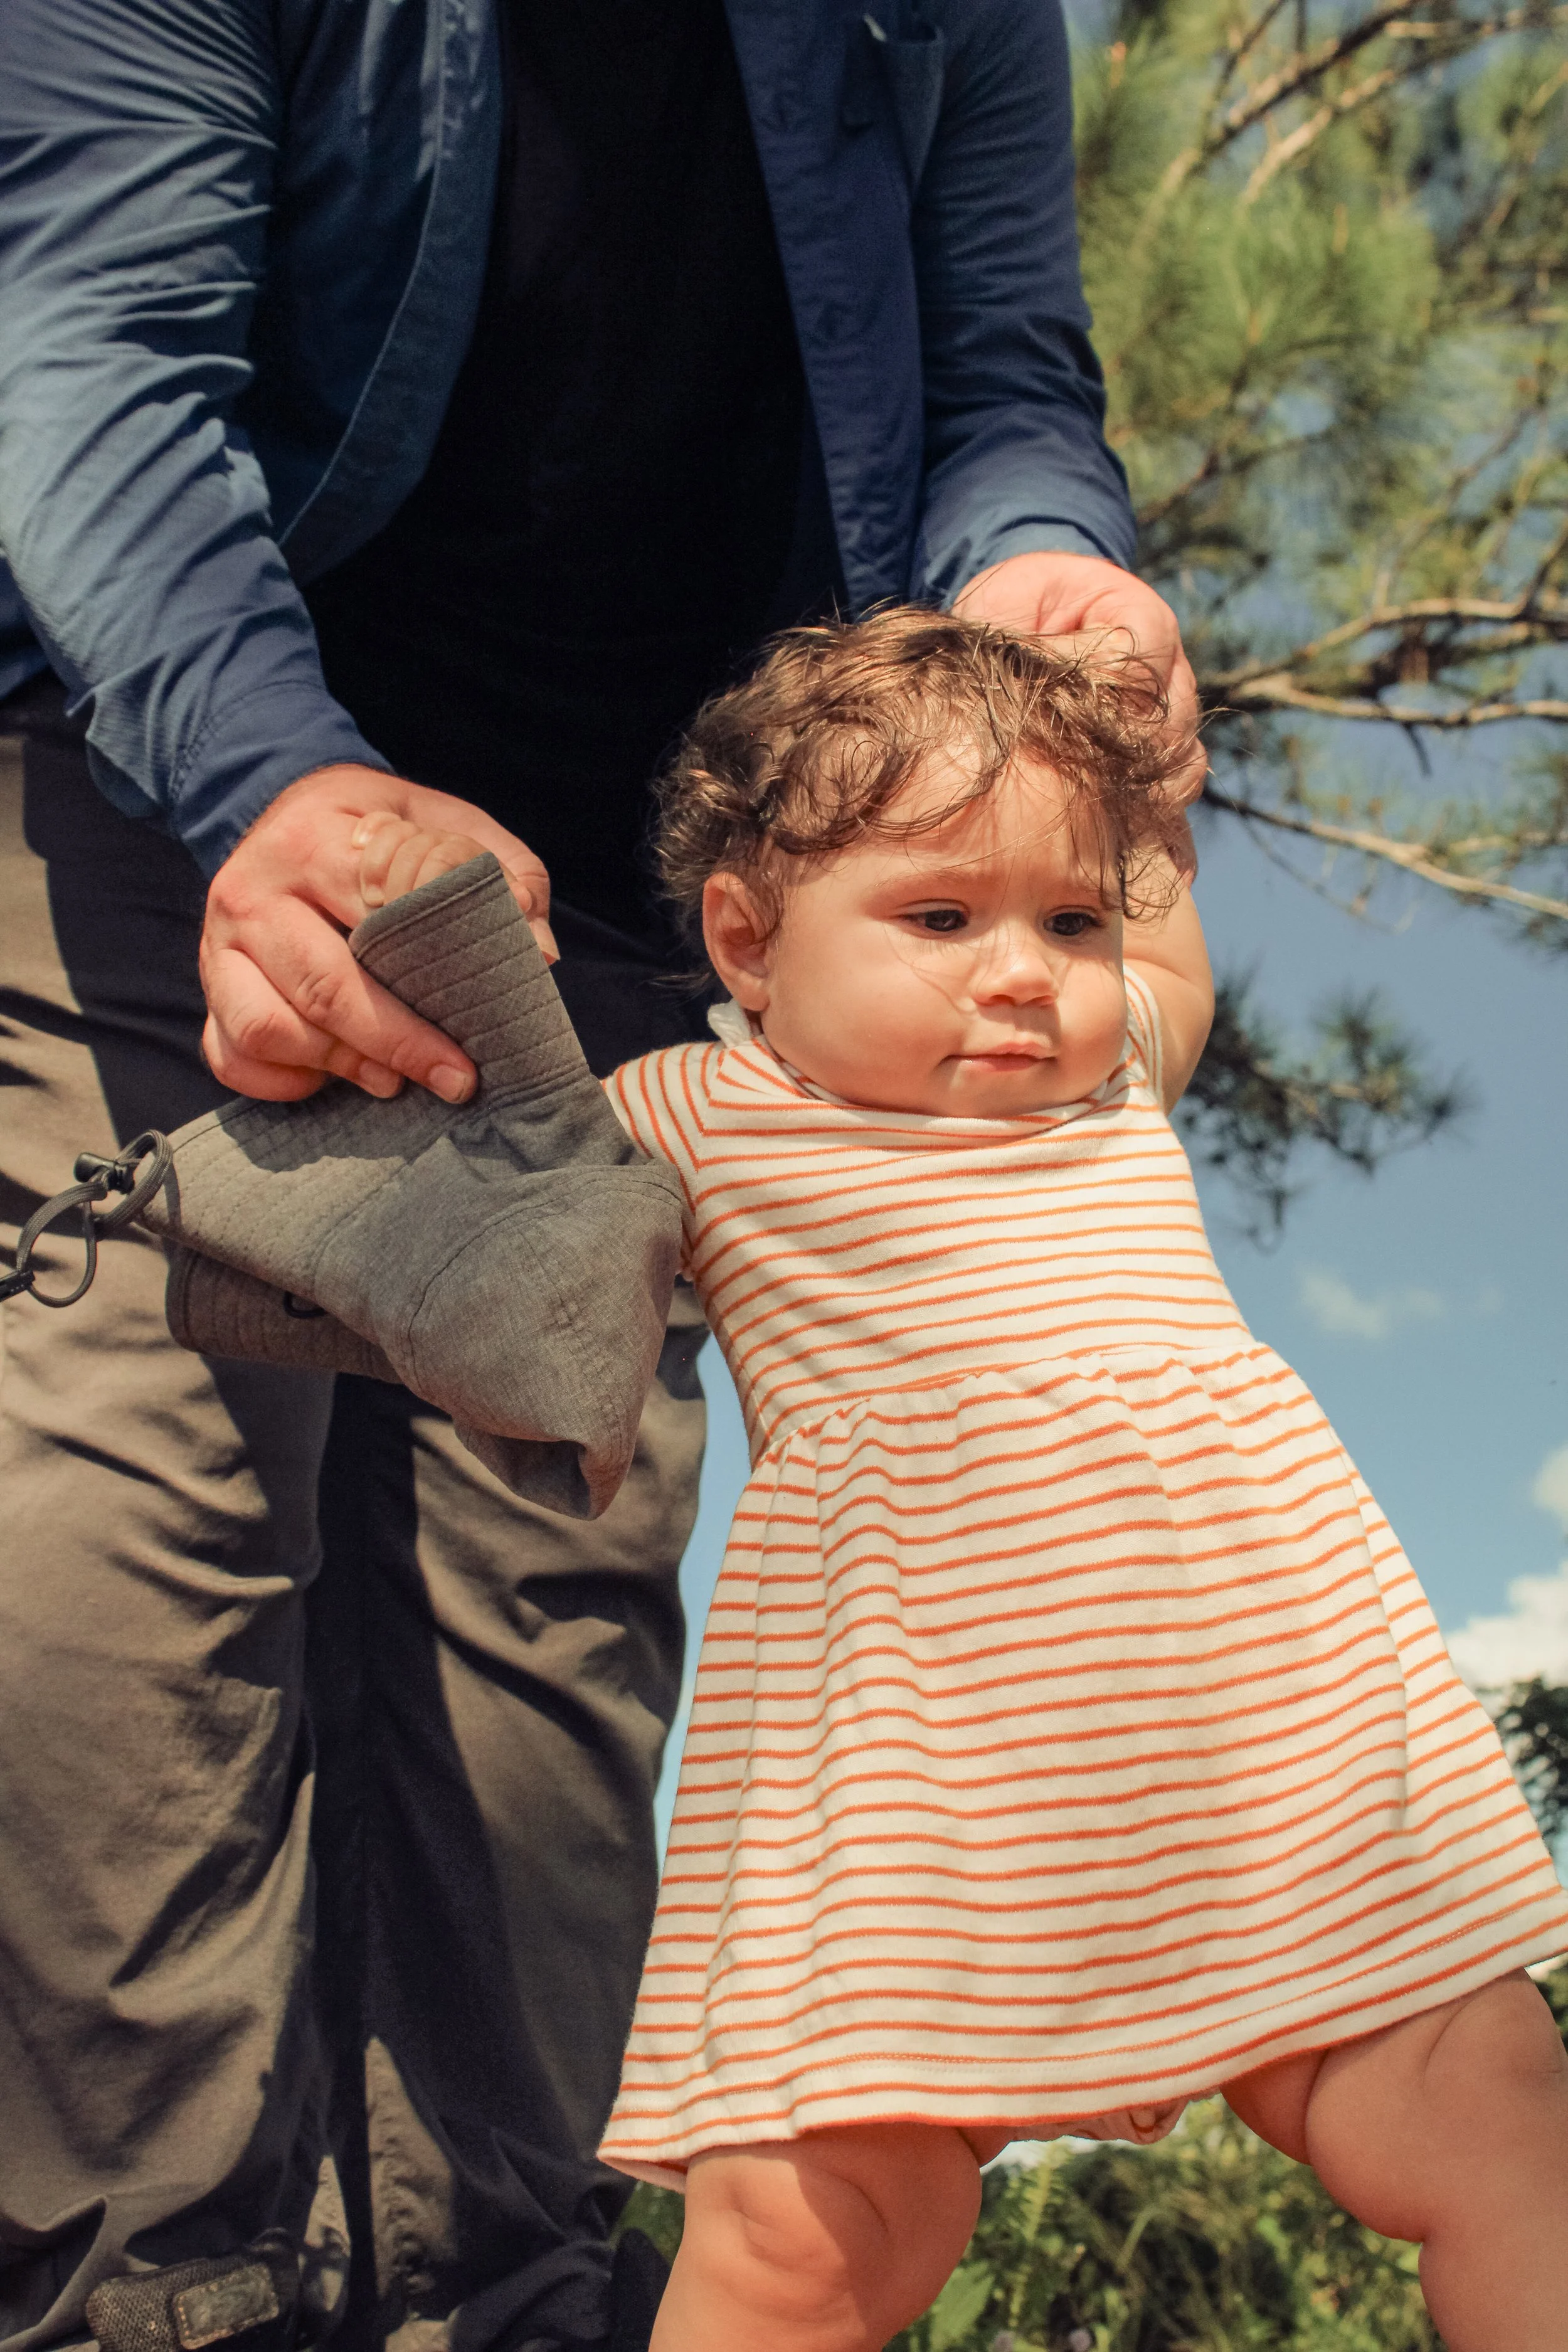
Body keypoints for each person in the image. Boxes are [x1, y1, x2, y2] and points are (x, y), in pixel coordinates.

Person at [0, 4, 1201, 2349]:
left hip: (646, 902)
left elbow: (1004, 384)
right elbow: (90, 353)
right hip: (171, 766)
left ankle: (504, 2297)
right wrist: (285, 786)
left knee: (547, 1607)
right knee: (133, 1507)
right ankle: (154, 2294)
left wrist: (1046, 562)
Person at [358, 607, 1568, 2352]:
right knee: (815, 2220)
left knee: (1481, 2104)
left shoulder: (1111, 1088)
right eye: (939, 916)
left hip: (1258, 1709)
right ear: (747, 941)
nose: (1020, 972)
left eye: (1065, 919)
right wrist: (415, 926)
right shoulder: (695, 1109)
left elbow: (1167, 959)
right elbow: (486, 1155)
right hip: (915, 1756)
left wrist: (1144, 810)